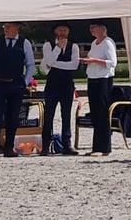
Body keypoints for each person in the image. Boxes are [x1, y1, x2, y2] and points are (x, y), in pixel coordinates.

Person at [0, 22, 35, 159]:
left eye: (8, 27)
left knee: (13, 116)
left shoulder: (25, 43)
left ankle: (9, 147)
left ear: (17, 27)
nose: (5, 29)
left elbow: (30, 64)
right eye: (4, 27)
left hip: (16, 84)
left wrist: (25, 82)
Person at [39, 22, 80, 156]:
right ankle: (45, 145)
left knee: (66, 115)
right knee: (48, 115)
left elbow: (74, 65)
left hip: (67, 85)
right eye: (60, 29)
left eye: (65, 30)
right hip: (52, 85)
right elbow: (48, 63)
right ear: (55, 31)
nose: (62, 32)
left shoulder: (73, 46)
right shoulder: (48, 45)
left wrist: (55, 65)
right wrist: (57, 49)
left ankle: (67, 144)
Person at [81, 19, 117, 157]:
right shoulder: (94, 43)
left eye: (93, 27)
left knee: (102, 113)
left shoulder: (108, 43)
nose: (91, 30)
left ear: (102, 28)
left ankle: (104, 147)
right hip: (92, 79)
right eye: (90, 28)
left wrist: (94, 61)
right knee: (95, 113)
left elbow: (112, 62)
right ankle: (96, 146)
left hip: (104, 80)